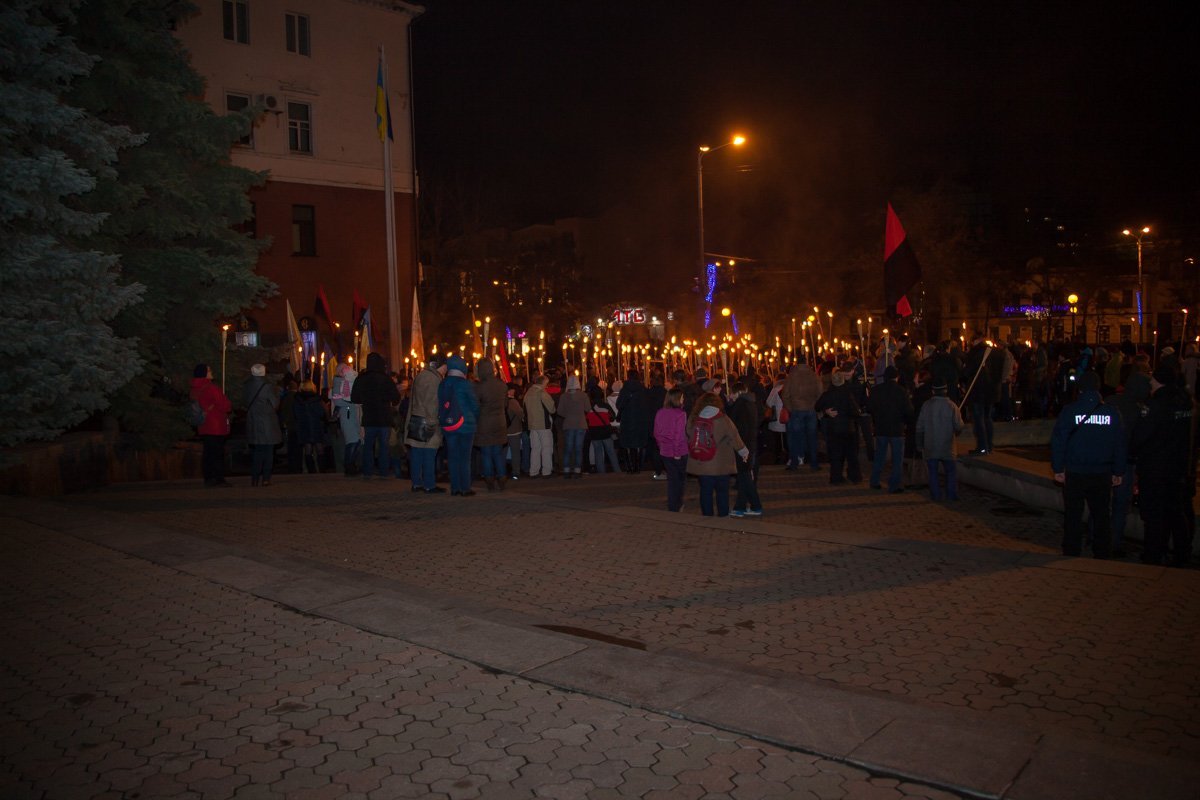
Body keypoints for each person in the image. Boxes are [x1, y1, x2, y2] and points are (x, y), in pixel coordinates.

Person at [1051, 371, 1126, 559]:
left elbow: (1059, 441)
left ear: (1080, 388)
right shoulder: (1111, 413)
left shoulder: (1070, 411)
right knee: (1101, 516)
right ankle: (1102, 553)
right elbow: (1119, 443)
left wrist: (1058, 468)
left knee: (1073, 515)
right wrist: (1118, 470)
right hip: (1101, 472)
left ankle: (1071, 552)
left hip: (1076, 472)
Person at [1130, 366, 1195, 566]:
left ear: (1159, 380)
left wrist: (1133, 452)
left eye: (1152, 379)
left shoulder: (1156, 405)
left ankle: (1153, 554)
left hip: (1155, 467)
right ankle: (1182, 553)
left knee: (1154, 514)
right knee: (1176, 511)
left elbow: (1141, 436)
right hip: (1178, 466)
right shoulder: (1185, 403)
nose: (1150, 382)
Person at [1106, 372, 1150, 557]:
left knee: (1102, 502)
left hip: (1105, 461)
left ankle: (1096, 536)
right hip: (1126, 463)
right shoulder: (1141, 409)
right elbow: (1142, 439)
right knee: (1120, 505)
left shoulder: (1110, 402)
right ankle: (1113, 543)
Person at [686, 391, 748, 517]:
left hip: (702, 462)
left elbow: (689, 434)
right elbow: (734, 436)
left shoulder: (694, 419)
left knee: (705, 491)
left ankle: (707, 515)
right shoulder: (723, 419)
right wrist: (743, 451)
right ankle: (723, 516)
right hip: (721, 464)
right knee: (722, 492)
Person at [351, 352, 400, 479]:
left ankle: (368, 470)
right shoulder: (386, 379)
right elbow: (396, 398)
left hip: (369, 416)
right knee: (384, 446)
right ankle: (383, 470)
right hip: (384, 417)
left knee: (368, 446)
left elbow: (354, 398)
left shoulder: (361, 378)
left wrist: (366, 399)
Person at [437, 354, 480, 496]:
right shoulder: (465, 384)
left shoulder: (442, 383)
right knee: (465, 457)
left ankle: (455, 487)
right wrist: (475, 417)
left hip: (448, 424)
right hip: (465, 425)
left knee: (453, 456)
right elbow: (474, 405)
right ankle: (465, 488)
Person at [915, 382, 965, 501]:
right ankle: (951, 495)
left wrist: (919, 444)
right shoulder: (952, 406)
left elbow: (919, 427)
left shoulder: (926, 405)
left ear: (933, 391)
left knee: (933, 472)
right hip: (948, 445)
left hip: (931, 445)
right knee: (951, 472)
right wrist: (955, 432)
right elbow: (959, 426)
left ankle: (936, 495)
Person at [868, 365, 914, 493]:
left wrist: (876, 418)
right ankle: (894, 485)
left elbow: (870, 407)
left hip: (881, 428)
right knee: (897, 458)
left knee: (880, 456)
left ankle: (875, 480)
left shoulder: (876, 390)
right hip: (897, 429)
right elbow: (909, 410)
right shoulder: (901, 391)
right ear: (896, 377)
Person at [404, 355, 446, 493]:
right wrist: (434, 423)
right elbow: (432, 403)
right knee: (429, 454)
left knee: (416, 453)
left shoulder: (421, 375)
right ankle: (429, 484)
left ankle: (416, 483)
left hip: (416, 419)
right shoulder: (434, 379)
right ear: (441, 365)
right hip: (428, 422)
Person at [190, 363, 233, 487]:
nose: (211, 372)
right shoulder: (210, 388)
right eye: (209, 371)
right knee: (217, 453)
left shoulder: (195, 388)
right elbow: (225, 405)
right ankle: (218, 477)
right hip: (215, 424)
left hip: (203, 424)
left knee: (208, 453)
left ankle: (209, 477)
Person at [815, 372, 861, 484]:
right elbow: (855, 411)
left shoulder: (828, 394)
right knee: (851, 455)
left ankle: (836, 477)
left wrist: (826, 411)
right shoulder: (848, 394)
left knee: (836, 455)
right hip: (848, 428)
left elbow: (817, 406)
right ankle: (854, 476)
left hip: (834, 428)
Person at [727, 381, 763, 517]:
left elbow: (735, 427)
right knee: (744, 476)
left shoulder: (740, 405)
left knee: (744, 476)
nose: (730, 396)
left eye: (731, 393)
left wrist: (739, 447)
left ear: (737, 393)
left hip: (742, 445)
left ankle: (755, 505)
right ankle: (741, 506)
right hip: (749, 443)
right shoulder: (751, 403)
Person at [473, 358, 508, 491]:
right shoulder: (502, 385)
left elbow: (475, 407)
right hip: (500, 423)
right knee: (498, 453)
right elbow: (505, 404)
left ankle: (489, 480)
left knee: (486, 453)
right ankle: (502, 478)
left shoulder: (479, 387)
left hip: (484, 423)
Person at [244, 363, 281, 487]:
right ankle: (266, 478)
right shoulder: (267, 387)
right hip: (267, 421)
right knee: (268, 451)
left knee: (257, 451)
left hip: (253, 420)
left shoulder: (247, 385)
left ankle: (254, 478)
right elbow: (275, 403)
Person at [653, 387, 689, 511]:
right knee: (679, 480)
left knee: (672, 479)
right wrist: (677, 452)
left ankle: (673, 504)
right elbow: (679, 435)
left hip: (665, 451)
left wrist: (661, 446)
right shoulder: (681, 414)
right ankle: (677, 504)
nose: (684, 399)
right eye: (682, 397)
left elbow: (656, 432)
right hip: (678, 452)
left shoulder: (660, 412)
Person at [781, 362, 821, 471]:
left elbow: (785, 395)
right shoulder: (814, 375)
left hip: (797, 410)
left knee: (795, 438)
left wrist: (790, 408)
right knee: (812, 438)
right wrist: (814, 405)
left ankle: (794, 463)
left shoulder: (792, 377)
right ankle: (814, 463)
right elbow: (820, 392)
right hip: (811, 409)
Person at [964, 335, 995, 454]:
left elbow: (968, 372)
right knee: (987, 418)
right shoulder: (992, 353)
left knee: (978, 419)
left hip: (978, 391)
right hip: (989, 391)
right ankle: (989, 445)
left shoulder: (975, 354)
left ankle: (982, 446)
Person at [330, 362, 362, 476]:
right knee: (352, 440)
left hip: (351, 414)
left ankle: (351, 464)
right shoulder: (338, 383)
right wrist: (351, 401)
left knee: (356, 440)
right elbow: (337, 400)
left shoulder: (346, 382)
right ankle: (349, 465)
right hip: (347, 414)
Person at [616, 370, 650, 473]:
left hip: (627, 420)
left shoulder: (625, 390)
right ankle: (638, 466)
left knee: (628, 445)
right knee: (639, 444)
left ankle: (630, 467)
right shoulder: (643, 390)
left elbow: (619, 404)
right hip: (640, 420)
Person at [556, 375, 589, 479]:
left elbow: (559, 411)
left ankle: (566, 470)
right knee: (578, 448)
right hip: (581, 423)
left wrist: (568, 414)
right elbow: (588, 408)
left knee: (568, 448)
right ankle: (577, 470)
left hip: (568, 424)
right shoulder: (583, 395)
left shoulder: (564, 396)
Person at [524, 374, 557, 477]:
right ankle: (546, 471)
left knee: (535, 448)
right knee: (546, 448)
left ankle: (533, 471)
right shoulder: (542, 393)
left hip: (532, 425)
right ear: (543, 382)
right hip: (543, 424)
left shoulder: (528, 393)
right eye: (546, 383)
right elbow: (552, 408)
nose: (546, 386)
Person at [292, 379, 326, 474]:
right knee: (319, 448)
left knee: (308, 448)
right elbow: (321, 413)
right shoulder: (316, 399)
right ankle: (321, 469)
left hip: (304, 426)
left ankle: (311, 470)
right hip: (316, 425)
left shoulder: (297, 400)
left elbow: (296, 413)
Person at [586, 387, 620, 473]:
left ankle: (601, 473)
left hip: (594, 432)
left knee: (598, 453)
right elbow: (613, 417)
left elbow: (586, 419)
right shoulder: (605, 406)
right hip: (605, 431)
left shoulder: (588, 407)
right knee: (611, 452)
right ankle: (617, 471)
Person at [504, 383, 524, 481]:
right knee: (515, 453)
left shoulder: (501, 401)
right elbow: (521, 414)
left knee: (502, 453)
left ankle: (502, 472)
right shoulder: (513, 402)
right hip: (514, 431)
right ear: (511, 391)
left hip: (503, 431)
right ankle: (516, 472)